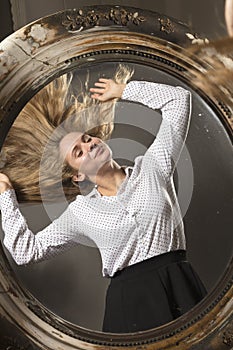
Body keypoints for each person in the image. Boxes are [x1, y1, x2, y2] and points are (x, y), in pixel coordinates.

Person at [0, 65, 207, 333]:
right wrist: (6, 195)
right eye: (79, 152)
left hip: (179, 283)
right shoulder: (81, 213)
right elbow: (26, 252)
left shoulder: (154, 166)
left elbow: (179, 100)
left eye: (87, 138)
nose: (90, 145)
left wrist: (124, 90)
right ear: (76, 176)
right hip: (130, 301)